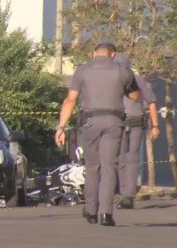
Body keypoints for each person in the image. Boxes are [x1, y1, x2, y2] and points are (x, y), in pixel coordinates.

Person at [54, 42, 140, 226]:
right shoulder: (122, 70)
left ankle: (91, 210)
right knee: (109, 166)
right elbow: (135, 96)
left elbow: (70, 100)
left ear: (94, 53)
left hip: (90, 121)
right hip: (114, 121)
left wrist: (60, 127)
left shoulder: (82, 70)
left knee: (92, 167)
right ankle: (106, 213)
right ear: (113, 54)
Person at [113, 54, 160, 209]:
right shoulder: (117, 80)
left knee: (131, 158)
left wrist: (155, 126)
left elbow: (151, 103)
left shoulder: (138, 80)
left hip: (135, 122)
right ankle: (123, 192)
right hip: (119, 122)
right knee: (121, 158)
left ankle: (128, 194)